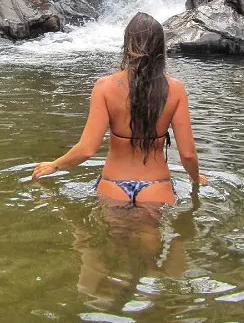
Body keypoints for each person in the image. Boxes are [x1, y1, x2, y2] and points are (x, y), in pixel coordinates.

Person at [32, 12, 206, 205]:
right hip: (156, 186)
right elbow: (188, 154)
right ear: (160, 47)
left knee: (110, 235)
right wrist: (196, 179)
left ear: (128, 44)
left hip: (113, 184)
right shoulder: (176, 89)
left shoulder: (104, 87)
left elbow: (87, 149)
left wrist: (54, 166)